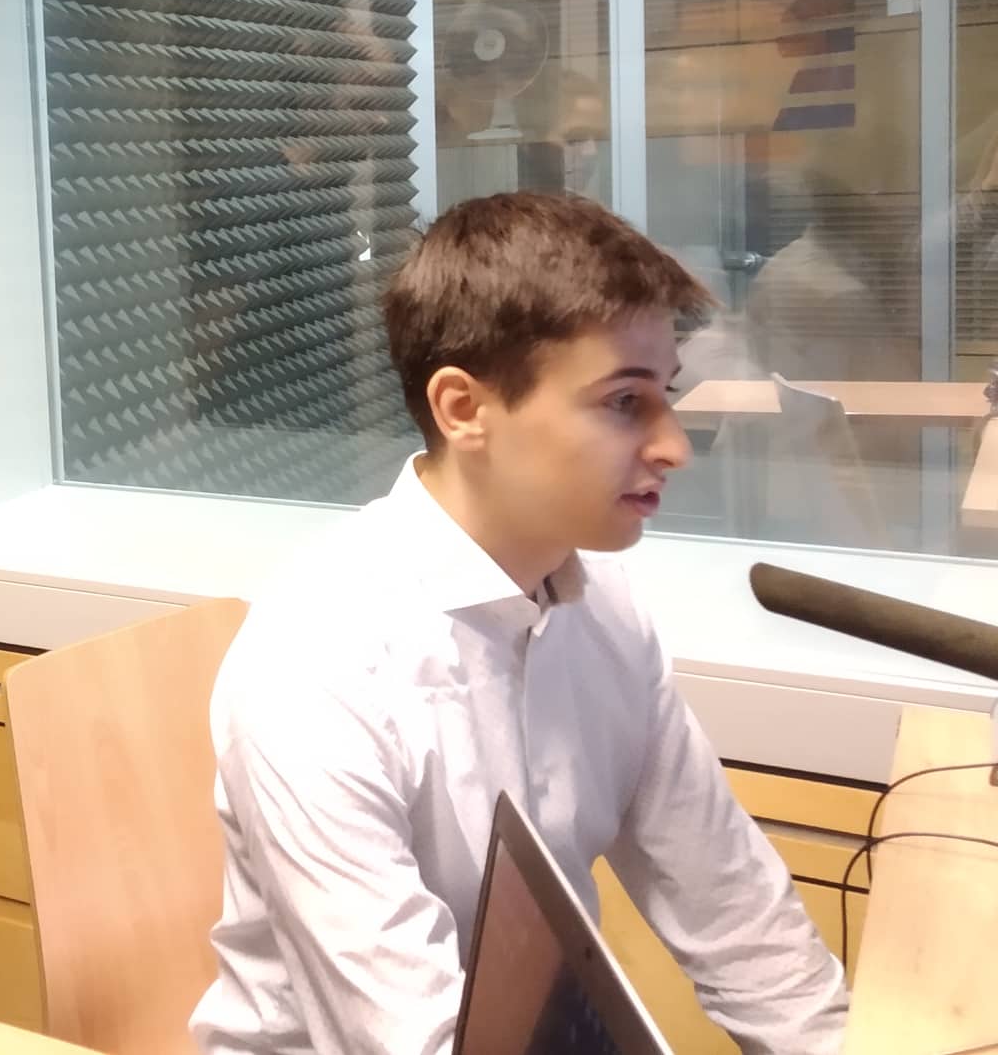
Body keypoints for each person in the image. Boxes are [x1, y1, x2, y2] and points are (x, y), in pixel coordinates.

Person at [190, 191, 848, 1055]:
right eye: (625, 402)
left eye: (667, 395)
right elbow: (409, 1039)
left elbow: (736, 914)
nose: (674, 447)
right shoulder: (316, 666)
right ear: (464, 410)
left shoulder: (606, 609)